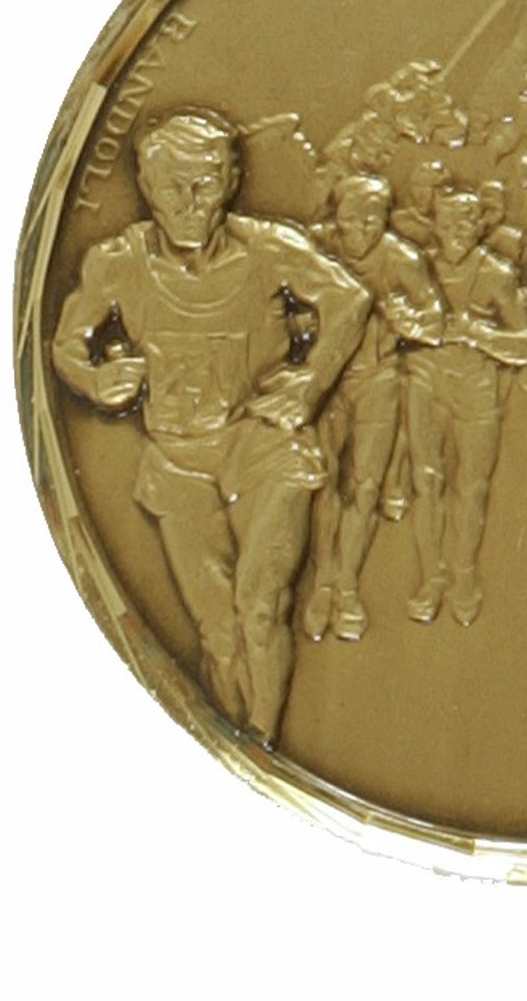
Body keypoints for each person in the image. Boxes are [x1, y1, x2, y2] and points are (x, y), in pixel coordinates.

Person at [52, 108, 369, 745]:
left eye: (204, 183)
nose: (190, 202)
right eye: (173, 186)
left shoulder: (268, 249)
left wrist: (309, 385)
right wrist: (95, 379)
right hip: (178, 457)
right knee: (219, 631)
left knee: (261, 605)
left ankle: (266, 742)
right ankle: (240, 753)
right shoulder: (118, 262)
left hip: (263, 444)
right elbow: (65, 346)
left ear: (229, 183)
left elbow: (349, 298)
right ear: (147, 187)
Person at [303, 173, 444, 644]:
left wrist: (410, 322)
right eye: (352, 216)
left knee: (365, 488)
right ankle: (323, 582)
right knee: (324, 484)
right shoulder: (315, 248)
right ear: (336, 215)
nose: (362, 228)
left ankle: (347, 587)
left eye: (373, 219)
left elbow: (435, 320)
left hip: (376, 380)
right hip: (325, 381)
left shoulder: (402, 259)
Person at [405, 181, 527, 626]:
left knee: (472, 487)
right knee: (426, 481)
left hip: (477, 390)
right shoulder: (418, 267)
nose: (457, 229)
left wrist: (476, 333)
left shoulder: (497, 274)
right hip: (427, 384)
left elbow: (525, 345)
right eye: (448, 221)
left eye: (466, 220)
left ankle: (463, 574)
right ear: (434, 225)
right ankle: (431, 577)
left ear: (481, 225)